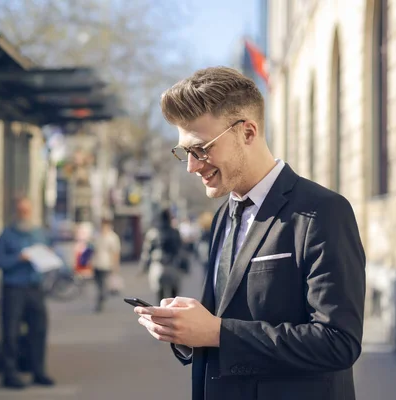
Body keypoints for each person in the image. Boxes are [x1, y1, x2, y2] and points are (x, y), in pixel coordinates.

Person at [134, 67, 366, 400]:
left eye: (201, 149)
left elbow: (338, 343)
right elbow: (228, 321)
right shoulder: (221, 218)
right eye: (185, 152)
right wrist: (189, 329)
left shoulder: (323, 211)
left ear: (248, 132)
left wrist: (218, 332)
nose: (192, 166)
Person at [0, 198, 55, 389]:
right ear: (15, 212)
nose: (24, 214)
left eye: (27, 210)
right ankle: (10, 375)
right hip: (14, 288)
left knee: (39, 329)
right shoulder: (7, 234)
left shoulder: (38, 233)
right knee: (10, 332)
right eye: (21, 210)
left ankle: (38, 371)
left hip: (34, 287)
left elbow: (47, 254)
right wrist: (18, 258)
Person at [139, 209, 186, 304]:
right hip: (173, 266)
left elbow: (146, 252)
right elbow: (181, 250)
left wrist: (143, 267)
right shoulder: (175, 232)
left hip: (157, 265)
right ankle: (173, 314)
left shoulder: (152, 233)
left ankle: (161, 314)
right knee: (174, 297)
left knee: (159, 295)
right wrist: (184, 266)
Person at [93, 215, 121, 312]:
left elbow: (115, 252)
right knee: (98, 284)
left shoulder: (112, 237)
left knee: (103, 284)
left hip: (107, 264)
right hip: (96, 263)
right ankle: (101, 297)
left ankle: (101, 299)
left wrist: (115, 266)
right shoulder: (97, 235)